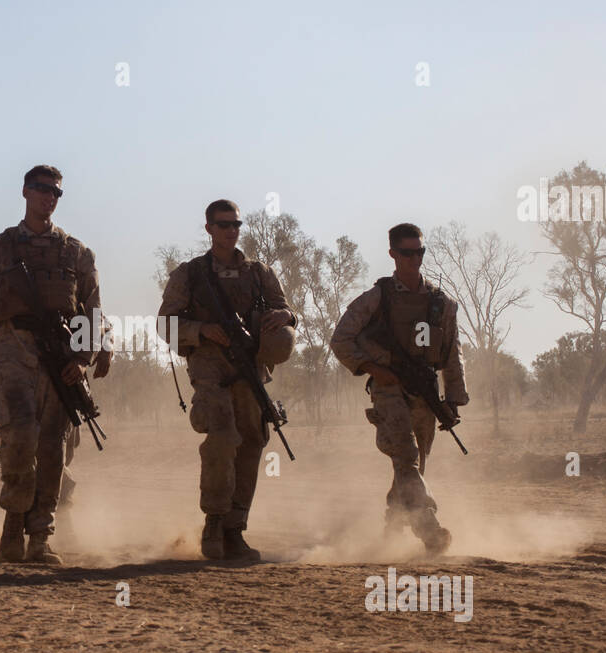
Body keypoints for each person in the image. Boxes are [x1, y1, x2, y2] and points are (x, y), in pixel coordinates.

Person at [0, 165, 111, 564]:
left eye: (55, 192)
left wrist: (83, 359)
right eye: (41, 189)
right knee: (20, 437)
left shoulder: (78, 253)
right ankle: (13, 522)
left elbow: (92, 310)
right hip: (12, 351)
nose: (48, 197)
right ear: (25, 192)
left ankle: (40, 535)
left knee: (52, 446)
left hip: (60, 363)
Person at [157, 199, 297, 562]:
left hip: (250, 366)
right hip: (209, 366)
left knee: (251, 442)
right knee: (221, 437)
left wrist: (284, 315)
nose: (231, 230)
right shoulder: (190, 274)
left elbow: (285, 311)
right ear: (209, 229)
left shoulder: (259, 272)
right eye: (223, 225)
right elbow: (165, 325)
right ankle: (215, 521)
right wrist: (202, 330)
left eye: (236, 224)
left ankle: (236, 528)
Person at [329, 222, 468, 556]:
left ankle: (394, 522)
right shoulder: (377, 298)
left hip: (426, 390)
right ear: (393, 254)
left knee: (412, 464)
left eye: (419, 252)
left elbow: (451, 352)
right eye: (407, 253)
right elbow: (341, 340)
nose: (414, 259)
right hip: (389, 389)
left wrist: (453, 400)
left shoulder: (441, 303)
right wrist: (374, 368)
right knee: (405, 457)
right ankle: (429, 527)